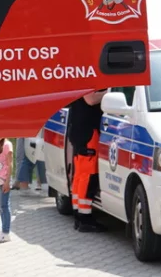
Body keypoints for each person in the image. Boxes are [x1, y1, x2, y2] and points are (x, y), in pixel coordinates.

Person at [68, 89, 107, 232]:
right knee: (87, 176)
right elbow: (90, 99)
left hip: (80, 131)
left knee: (80, 176)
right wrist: (109, 91)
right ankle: (85, 218)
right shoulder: (87, 80)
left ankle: (79, 215)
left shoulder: (79, 79)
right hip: (87, 133)